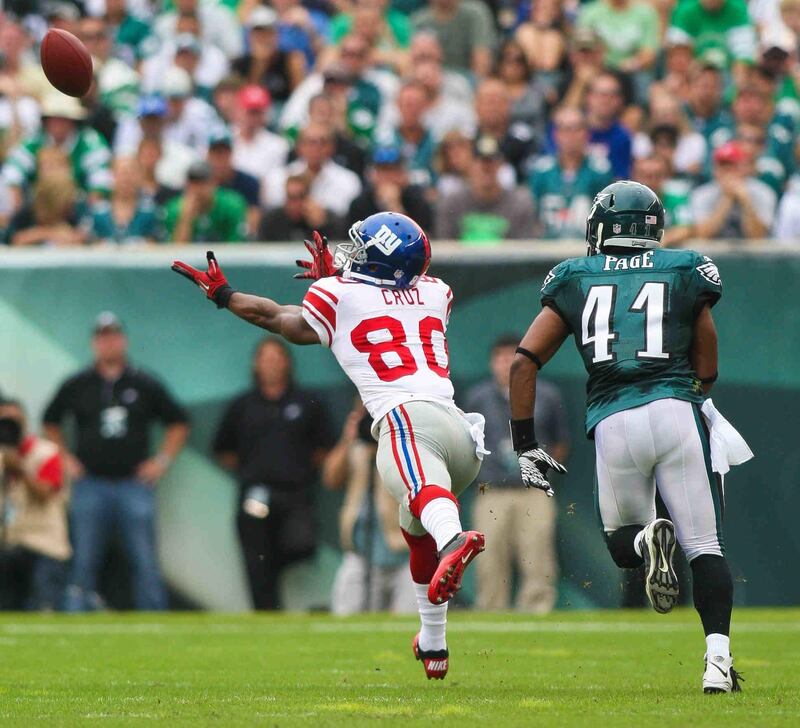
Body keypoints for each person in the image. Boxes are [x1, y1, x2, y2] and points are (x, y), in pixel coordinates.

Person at [172, 212, 490, 681]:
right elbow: (381, 302)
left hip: (407, 422)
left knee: (428, 515)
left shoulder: (336, 295)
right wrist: (339, 281)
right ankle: (434, 643)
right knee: (414, 531)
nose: (352, 255)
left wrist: (224, 295)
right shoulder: (436, 292)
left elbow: (277, 317)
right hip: (460, 435)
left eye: (364, 249)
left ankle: (455, 538)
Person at [509, 180, 751, 693]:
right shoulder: (685, 268)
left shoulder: (574, 276)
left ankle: (647, 537)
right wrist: (694, 391)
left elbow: (524, 361)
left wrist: (525, 442)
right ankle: (716, 663)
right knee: (705, 545)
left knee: (623, 545)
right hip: (673, 408)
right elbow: (707, 360)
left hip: (613, 416)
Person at [43, 312, 190, 611]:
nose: (108, 343)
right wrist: (66, 458)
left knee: (144, 559)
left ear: (123, 340)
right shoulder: (78, 383)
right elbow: (50, 421)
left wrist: (160, 461)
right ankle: (76, 619)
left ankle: (155, 621)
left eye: (113, 336)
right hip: (90, 483)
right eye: (102, 337)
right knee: (84, 558)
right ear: (94, 343)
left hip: (134, 484)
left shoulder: (144, 382)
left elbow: (178, 422)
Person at [212, 337, 333, 610]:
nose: (271, 364)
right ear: (256, 365)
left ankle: (274, 565)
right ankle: (266, 614)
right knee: (256, 558)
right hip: (256, 493)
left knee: (301, 545)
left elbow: (324, 446)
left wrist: (299, 470)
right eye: (265, 358)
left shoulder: (306, 401)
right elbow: (222, 448)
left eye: (277, 357)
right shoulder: (243, 405)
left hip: (295, 493)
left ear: (287, 362)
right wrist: (252, 469)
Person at [465, 337, 569, 613]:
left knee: (538, 556)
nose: (506, 364)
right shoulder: (477, 397)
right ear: (491, 362)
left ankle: (537, 612)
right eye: (500, 357)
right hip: (491, 491)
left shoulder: (546, 394)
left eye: (512, 356)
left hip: (532, 491)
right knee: (488, 558)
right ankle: (490, 613)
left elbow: (560, 442)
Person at [324, 402, 416, 615]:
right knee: (347, 619)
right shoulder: (357, 448)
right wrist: (348, 439)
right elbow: (331, 478)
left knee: (412, 625)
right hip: (361, 551)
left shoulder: (407, 444)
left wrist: (391, 439)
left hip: (406, 552)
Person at [0, 399, 69, 611]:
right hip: (8, 543)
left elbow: (44, 495)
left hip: (43, 543)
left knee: (42, 607)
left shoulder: (46, 452)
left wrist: (19, 468)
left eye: (14, 421)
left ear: (25, 422)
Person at [529, 106, 614, 240]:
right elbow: (532, 213)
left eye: (577, 129)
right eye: (566, 129)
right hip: (546, 247)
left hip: (586, 248)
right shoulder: (541, 171)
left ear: (587, 133)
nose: (571, 135)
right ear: (556, 134)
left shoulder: (600, 171)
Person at [435, 136, 536, 243]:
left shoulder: (519, 203)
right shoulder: (452, 203)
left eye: (491, 161)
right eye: (480, 161)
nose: (486, 168)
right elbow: (445, 248)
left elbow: (524, 251)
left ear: (500, 165)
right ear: (470, 164)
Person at [263, 123, 362, 217]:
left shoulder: (348, 181)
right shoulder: (278, 178)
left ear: (332, 147)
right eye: (310, 142)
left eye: (322, 142)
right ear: (299, 146)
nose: (316, 148)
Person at [690, 141, 776, 240]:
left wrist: (746, 201)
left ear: (745, 168)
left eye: (733, 165)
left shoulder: (763, 192)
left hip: (754, 255)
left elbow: (758, 236)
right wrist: (727, 199)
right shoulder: (702, 194)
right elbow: (702, 235)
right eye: (722, 166)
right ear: (714, 170)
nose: (727, 171)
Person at [348, 146, 433, 232]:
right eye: (383, 170)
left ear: (403, 174)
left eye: (393, 170)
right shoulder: (360, 203)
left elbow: (423, 237)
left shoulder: (417, 200)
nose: (388, 177)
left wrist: (394, 206)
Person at [163, 160, 248, 243]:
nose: (197, 188)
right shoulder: (174, 209)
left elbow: (237, 246)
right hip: (190, 257)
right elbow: (176, 252)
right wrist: (186, 218)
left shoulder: (231, 205)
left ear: (214, 183)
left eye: (203, 183)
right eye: (193, 183)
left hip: (223, 256)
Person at [412, 0, 497, 78]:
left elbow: (482, 56)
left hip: (468, 79)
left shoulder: (475, 13)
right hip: (431, 78)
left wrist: (477, 84)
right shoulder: (419, 21)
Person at [85, 157, 160, 245]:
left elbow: (162, 243)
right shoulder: (96, 212)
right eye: (122, 173)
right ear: (112, 176)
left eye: (131, 174)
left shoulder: (151, 211)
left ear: (140, 176)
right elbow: (85, 242)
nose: (126, 179)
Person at [257, 173, 342, 242]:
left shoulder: (328, 220)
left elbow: (335, 251)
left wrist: (320, 227)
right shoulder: (272, 220)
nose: (294, 204)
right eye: (290, 197)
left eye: (300, 197)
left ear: (309, 197)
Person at [585, 72, 633, 178]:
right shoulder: (568, 129)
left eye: (612, 95)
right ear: (589, 97)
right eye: (601, 94)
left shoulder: (623, 137)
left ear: (620, 101)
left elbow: (621, 179)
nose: (605, 100)